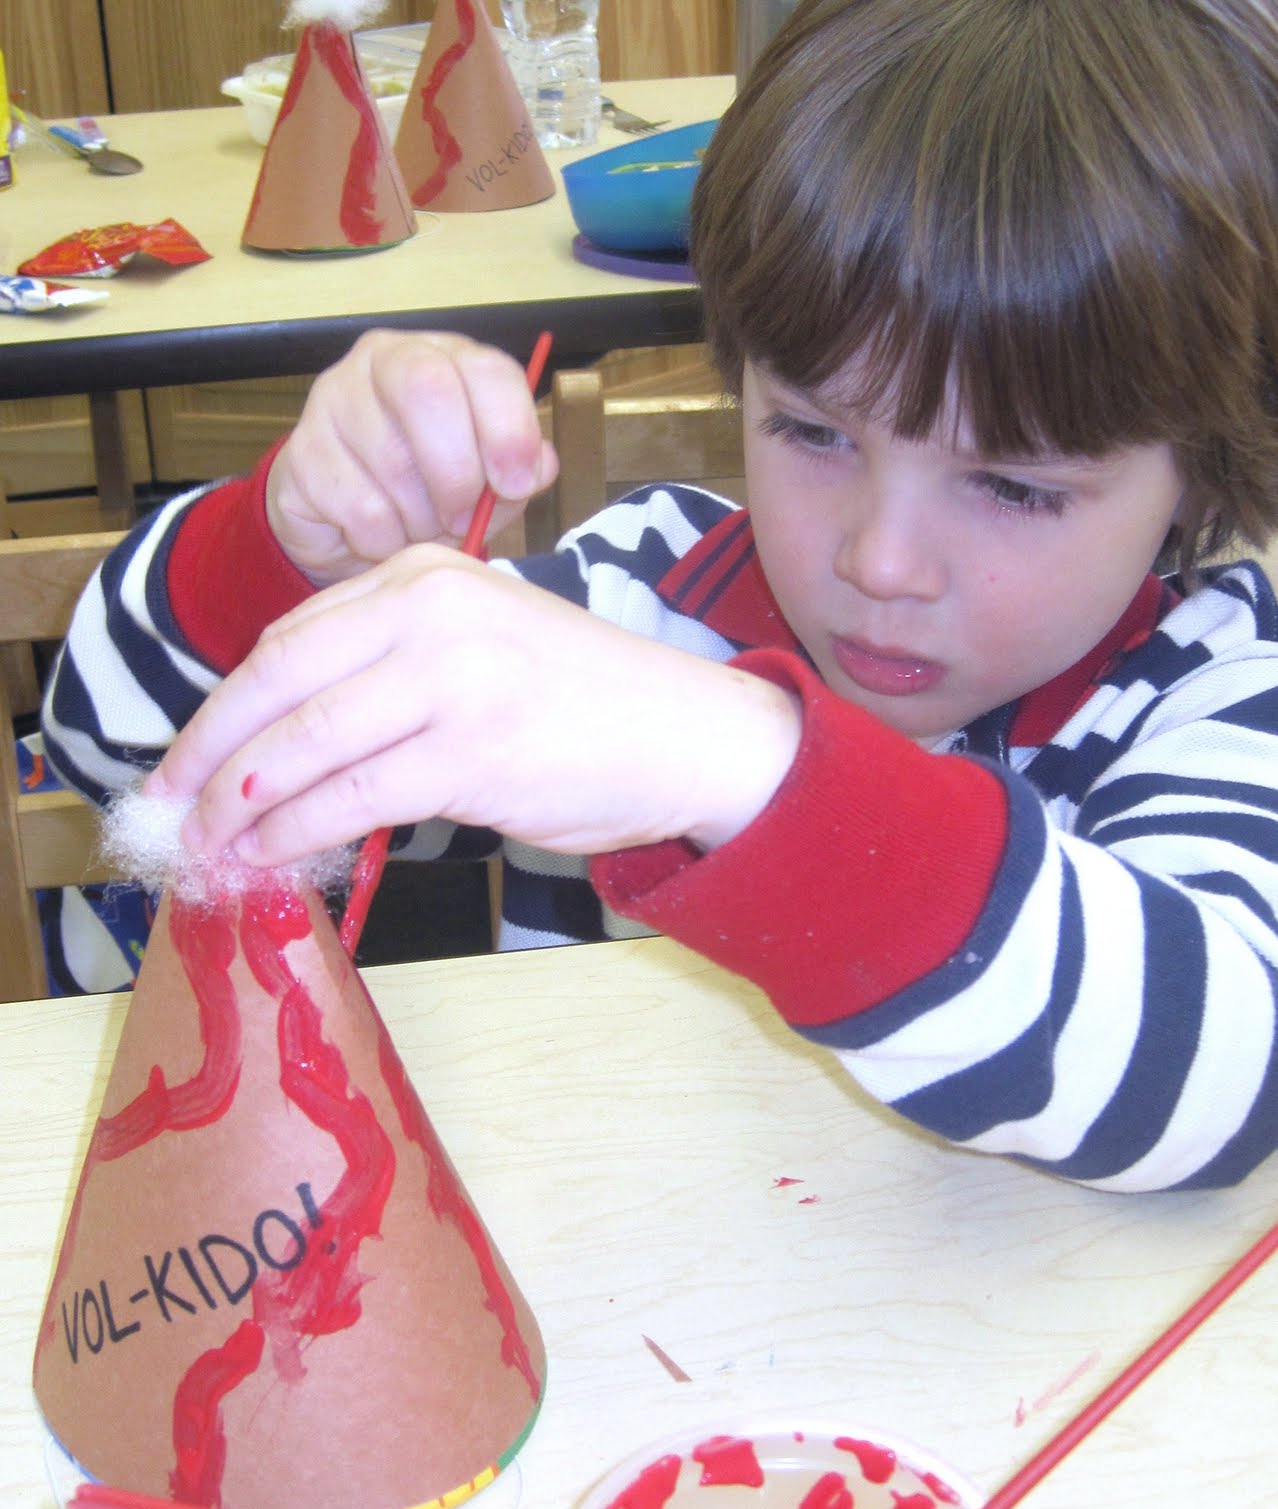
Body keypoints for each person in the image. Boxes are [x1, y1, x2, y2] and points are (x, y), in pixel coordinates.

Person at [42, 0, 1278, 1191]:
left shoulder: (1219, 699)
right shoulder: (641, 600)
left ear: (1204, 463)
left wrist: (738, 763)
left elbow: (1221, 1079)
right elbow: (126, 767)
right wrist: (285, 549)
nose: (881, 562)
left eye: (1013, 486)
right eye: (812, 429)